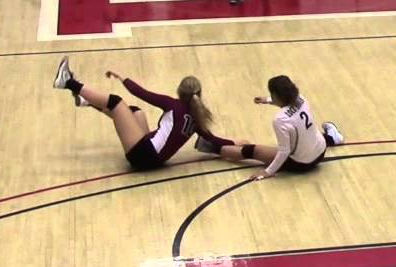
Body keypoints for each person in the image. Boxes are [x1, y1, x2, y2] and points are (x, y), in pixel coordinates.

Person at [51, 58, 232, 171]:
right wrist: (235, 144)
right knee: (135, 112)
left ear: (180, 91)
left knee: (116, 102)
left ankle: (67, 83)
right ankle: (87, 101)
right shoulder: (198, 119)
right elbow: (215, 140)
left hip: (143, 155)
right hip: (153, 159)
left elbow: (141, 93)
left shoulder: (173, 105)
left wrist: (120, 76)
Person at [207, 75, 345, 181]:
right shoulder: (301, 99)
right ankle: (333, 138)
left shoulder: (280, 120)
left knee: (252, 150)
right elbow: (287, 103)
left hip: (302, 164)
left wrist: (268, 172)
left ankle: (213, 147)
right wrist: (267, 100)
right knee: (306, 132)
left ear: (275, 95)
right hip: (321, 152)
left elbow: (285, 151)